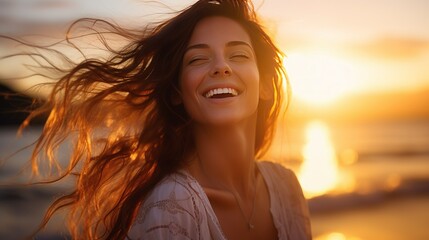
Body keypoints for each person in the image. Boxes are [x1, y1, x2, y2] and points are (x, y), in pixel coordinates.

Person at [9, 0, 311, 239]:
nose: (221, 67)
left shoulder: (286, 188)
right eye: (197, 59)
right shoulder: (173, 205)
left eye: (239, 55)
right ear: (178, 91)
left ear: (267, 85)